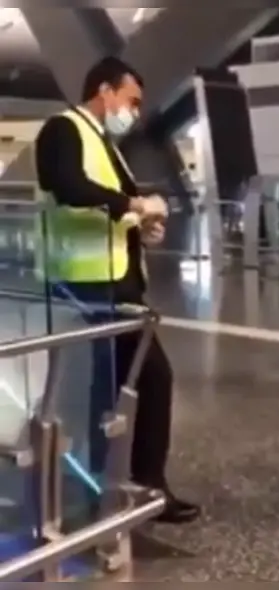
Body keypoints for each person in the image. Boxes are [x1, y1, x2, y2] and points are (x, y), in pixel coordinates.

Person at [34, 56, 200, 524]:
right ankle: (134, 486)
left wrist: (140, 226)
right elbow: (69, 187)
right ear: (105, 91)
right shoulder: (63, 129)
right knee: (144, 378)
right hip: (87, 284)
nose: (135, 112)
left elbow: (108, 208)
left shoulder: (106, 143)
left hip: (114, 281)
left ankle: (118, 485)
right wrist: (134, 203)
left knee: (118, 384)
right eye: (132, 100)